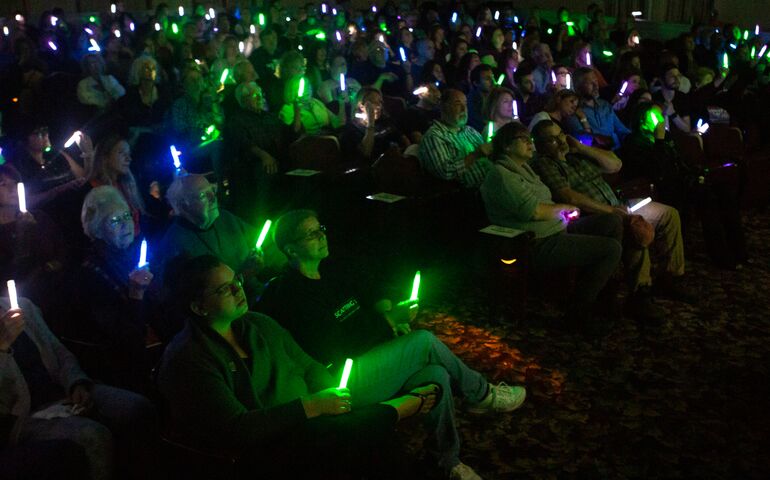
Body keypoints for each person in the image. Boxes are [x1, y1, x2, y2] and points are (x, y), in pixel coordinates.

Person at [258, 211, 527, 480]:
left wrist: (389, 315)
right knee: (423, 342)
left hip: (370, 359)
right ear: (291, 250)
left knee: (437, 375)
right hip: (338, 380)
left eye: (321, 229)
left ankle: (446, 461)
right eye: (311, 233)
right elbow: (333, 347)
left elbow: (367, 296)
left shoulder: (330, 271)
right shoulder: (290, 293)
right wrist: (387, 321)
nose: (321, 236)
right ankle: (482, 394)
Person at [157, 255, 440, 478]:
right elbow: (237, 428)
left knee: (378, 436)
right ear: (199, 307)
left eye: (237, 280)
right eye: (223, 289)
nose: (237, 289)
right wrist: (311, 407)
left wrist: (331, 394)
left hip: (306, 418)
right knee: (355, 432)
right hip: (262, 448)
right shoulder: (189, 358)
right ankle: (393, 410)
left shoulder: (258, 323)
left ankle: (425, 451)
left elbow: (307, 365)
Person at [530, 120, 691, 320]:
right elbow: (568, 196)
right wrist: (611, 210)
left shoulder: (577, 155)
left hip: (617, 203)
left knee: (669, 214)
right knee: (634, 227)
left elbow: (615, 165)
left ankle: (671, 277)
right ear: (540, 145)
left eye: (561, 134)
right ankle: (640, 294)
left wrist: (581, 147)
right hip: (592, 215)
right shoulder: (544, 163)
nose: (560, 141)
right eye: (552, 139)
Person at [479, 122, 622, 329]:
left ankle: (602, 293)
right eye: (523, 140)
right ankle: (578, 311)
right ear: (507, 146)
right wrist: (565, 208)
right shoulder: (502, 175)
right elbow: (533, 211)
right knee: (611, 249)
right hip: (535, 242)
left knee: (612, 221)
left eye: (530, 139)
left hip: (556, 227)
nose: (530, 143)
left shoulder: (523, 168)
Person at [0, 298, 157, 480]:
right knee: (93, 436)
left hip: (62, 392)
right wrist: (2, 348)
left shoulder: (21, 306)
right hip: (21, 417)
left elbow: (58, 351)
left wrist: (76, 383)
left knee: (137, 408)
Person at [72, 186, 164, 389]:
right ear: (97, 229)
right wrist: (136, 294)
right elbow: (122, 337)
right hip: (125, 365)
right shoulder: (90, 273)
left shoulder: (135, 251)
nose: (126, 224)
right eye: (115, 221)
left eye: (126, 216)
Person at [157, 174, 263, 298]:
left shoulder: (225, 218)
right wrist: (243, 277)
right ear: (184, 206)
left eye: (212, 190)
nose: (213, 198)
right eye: (203, 195)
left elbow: (266, 245)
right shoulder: (175, 244)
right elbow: (197, 297)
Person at [221, 81, 287, 222]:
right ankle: (260, 219)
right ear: (244, 100)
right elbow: (243, 143)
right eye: (254, 95)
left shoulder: (270, 116)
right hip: (252, 163)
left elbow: (287, 134)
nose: (259, 98)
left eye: (260, 94)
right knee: (264, 171)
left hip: (279, 157)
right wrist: (264, 155)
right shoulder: (236, 120)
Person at [419, 89, 493, 188]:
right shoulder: (434, 136)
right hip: (467, 197)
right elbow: (445, 172)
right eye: (457, 104)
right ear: (443, 108)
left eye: (465, 104)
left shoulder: (470, 131)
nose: (463, 109)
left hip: (492, 185)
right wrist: (475, 155)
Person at [565, 67, 630, 149]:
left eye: (595, 81)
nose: (596, 85)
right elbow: (581, 138)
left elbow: (621, 130)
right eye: (590, 83)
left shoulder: (605, 105)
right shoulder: (573, 111)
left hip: (617, 153)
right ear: (578, 87)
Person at [339, 87, 409, 164]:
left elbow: (402, 138)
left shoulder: (384, 120)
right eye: (373, 102)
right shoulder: (352, 128)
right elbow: (365, 154)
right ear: (361, 106)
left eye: (380, 102)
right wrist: (370, 121)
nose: (379, 106)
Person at [466, 64, 495, 132]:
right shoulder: (470, 102)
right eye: (487, 79)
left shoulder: (495, 96)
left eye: (493, 77)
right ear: (476, 83)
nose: (492, 81)